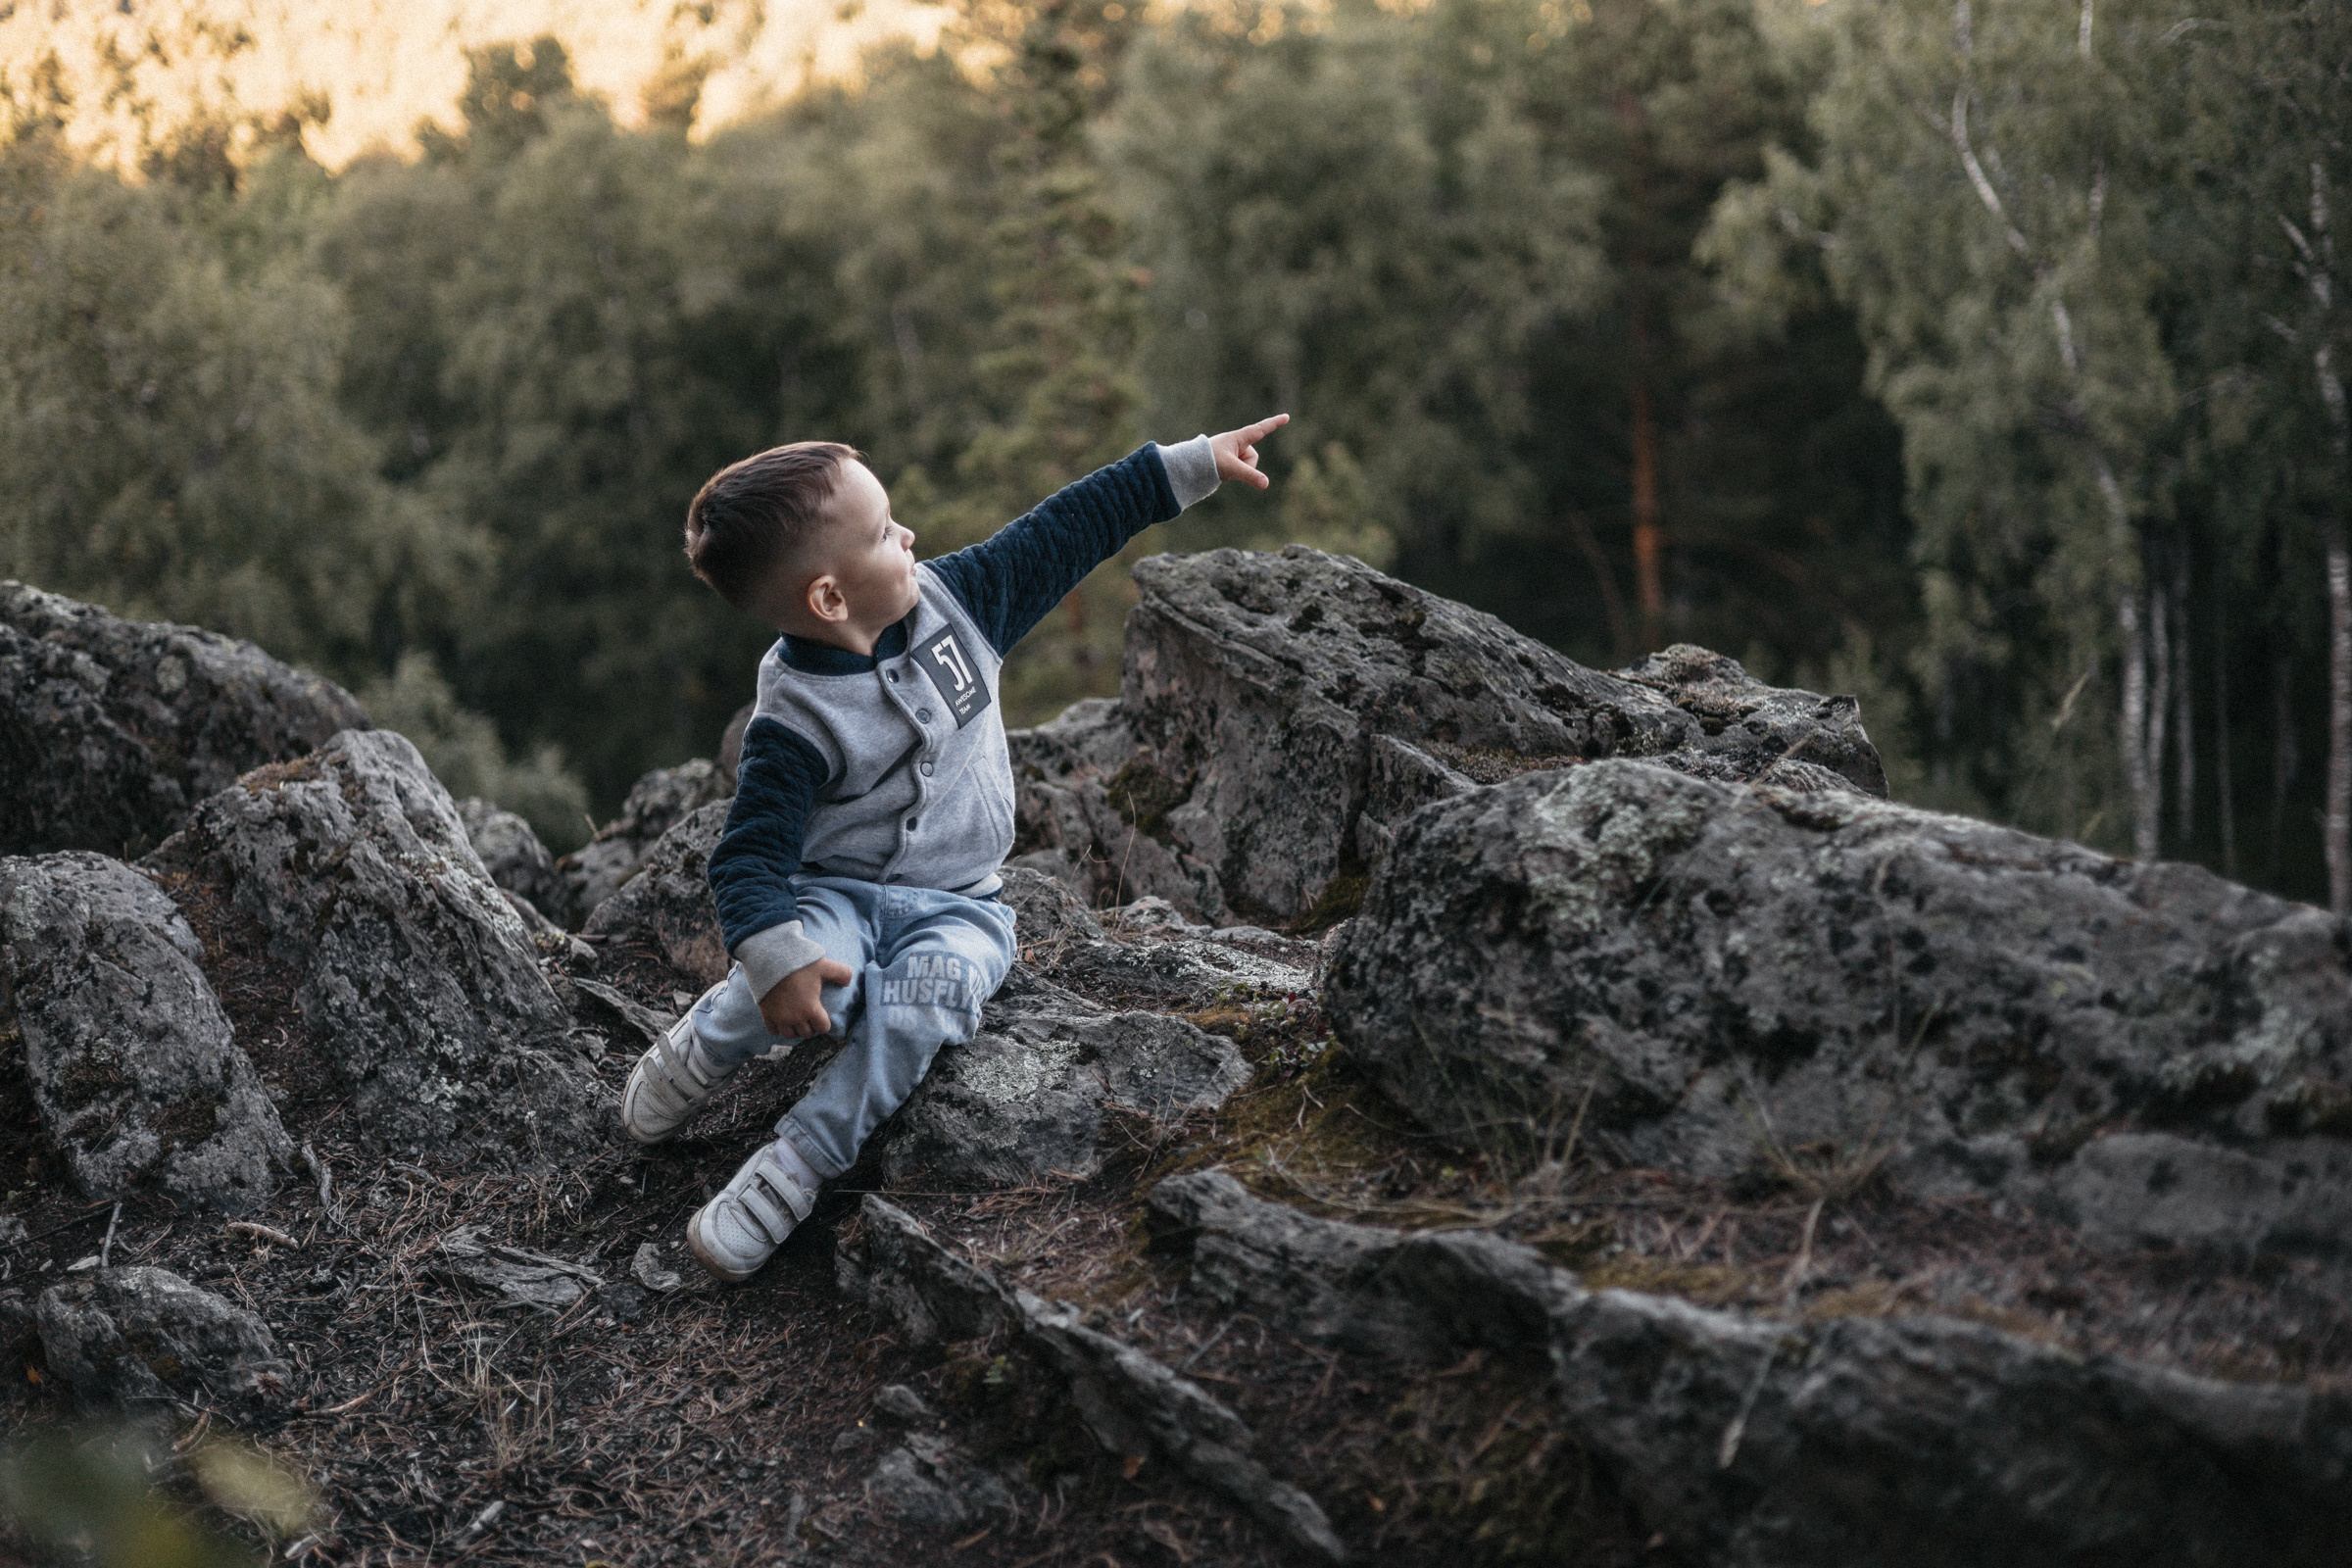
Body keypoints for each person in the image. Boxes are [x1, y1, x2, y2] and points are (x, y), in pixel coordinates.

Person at [623, 415, 1290, 1282]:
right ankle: (704, 1044)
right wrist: (774, 956)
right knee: (795, 973)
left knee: (923, 1006)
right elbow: (747, 857)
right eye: (883, 532)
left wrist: (1192, 463)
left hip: (965, 903)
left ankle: (797, 1164)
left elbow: (1068, 526)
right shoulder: (792, 720)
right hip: (838, 892)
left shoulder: (963, 601)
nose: (910, 536)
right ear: (829, 598)